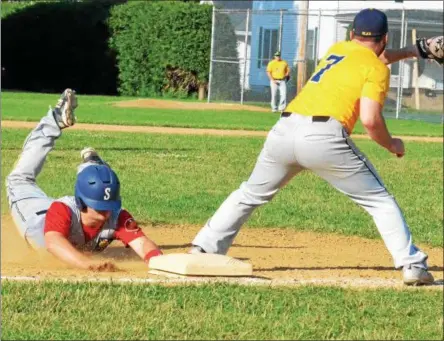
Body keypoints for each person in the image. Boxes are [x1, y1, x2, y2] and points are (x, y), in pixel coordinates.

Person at [189, 9, 443, 285]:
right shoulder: (376, 68)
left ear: (351, 34)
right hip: (325, 138)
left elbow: (373, 57)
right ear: (385, 37)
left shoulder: (337, 50)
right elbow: (370, 119)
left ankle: (204, 247)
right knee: (380, 202)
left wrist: (415, 50)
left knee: (249, 193)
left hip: (283, 131)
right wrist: (392, 143)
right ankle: (412, 265)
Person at [5, 89, 163, 271]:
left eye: (110, 206)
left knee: (95, 183)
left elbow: (142, 244)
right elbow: (54, 243)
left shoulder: (117, 214)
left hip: (65, 214)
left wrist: (158, 261)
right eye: (100, 207)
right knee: (18, 179)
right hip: (37, 215)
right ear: (82, 203)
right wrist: (87, 264)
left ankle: (93, 166)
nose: (107, 212)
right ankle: (54, 120)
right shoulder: (63, 210)